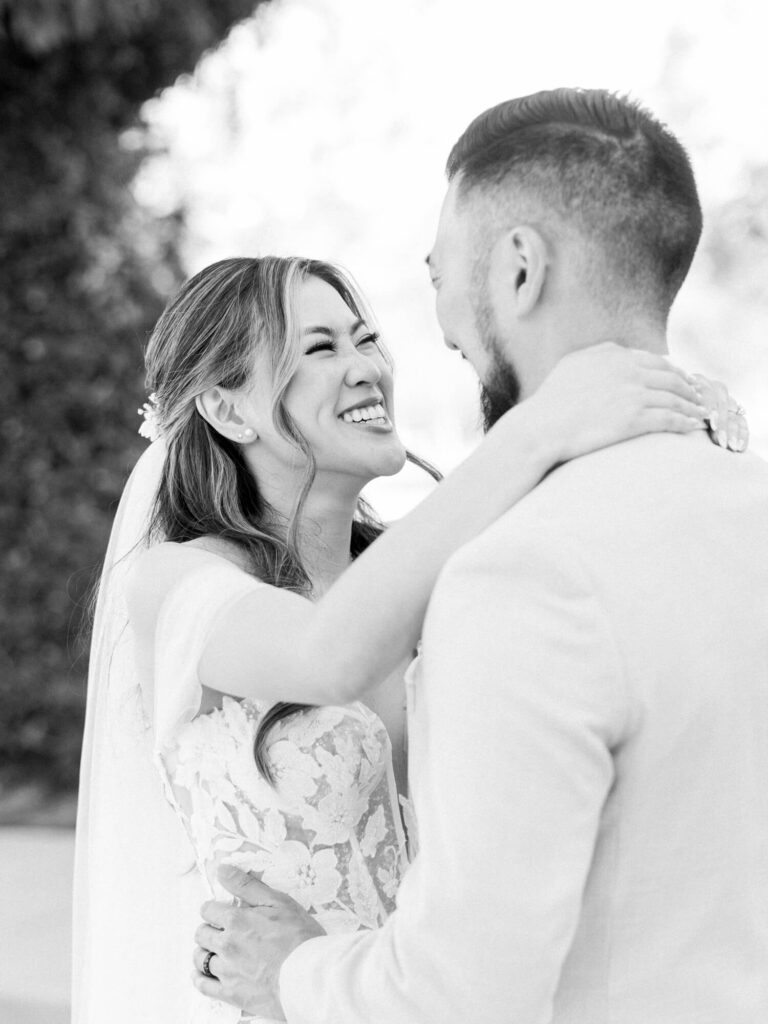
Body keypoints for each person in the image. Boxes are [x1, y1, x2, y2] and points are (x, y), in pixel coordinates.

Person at [192, 90, 768, 1023]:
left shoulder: (521, 577)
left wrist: (291, 972)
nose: (436, 332)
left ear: (518, 269)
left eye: (437, 277)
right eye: (321, 347)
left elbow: (462, 993)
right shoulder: (745, 503)